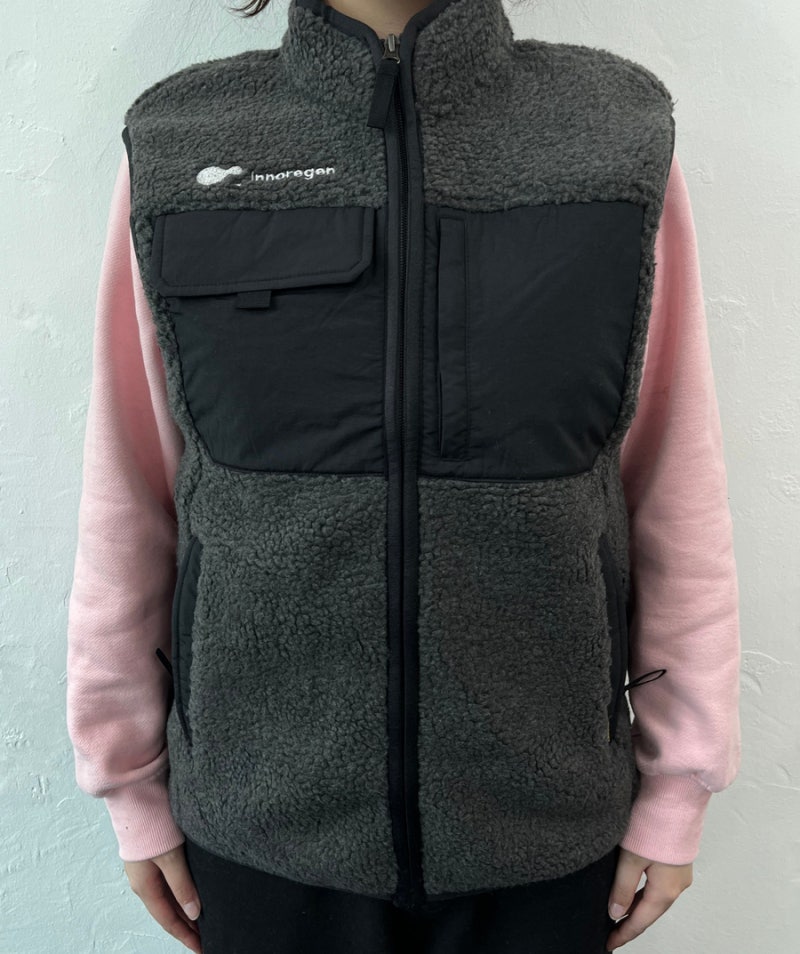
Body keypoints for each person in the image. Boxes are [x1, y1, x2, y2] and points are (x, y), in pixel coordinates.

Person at [65, 0, 741, 952]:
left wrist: (679, 784)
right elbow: (130, 494)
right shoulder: (184, 146)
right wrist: (128, 784)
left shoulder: (613, 139)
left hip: (544, 829)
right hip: (262, 833)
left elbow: (674, 484)